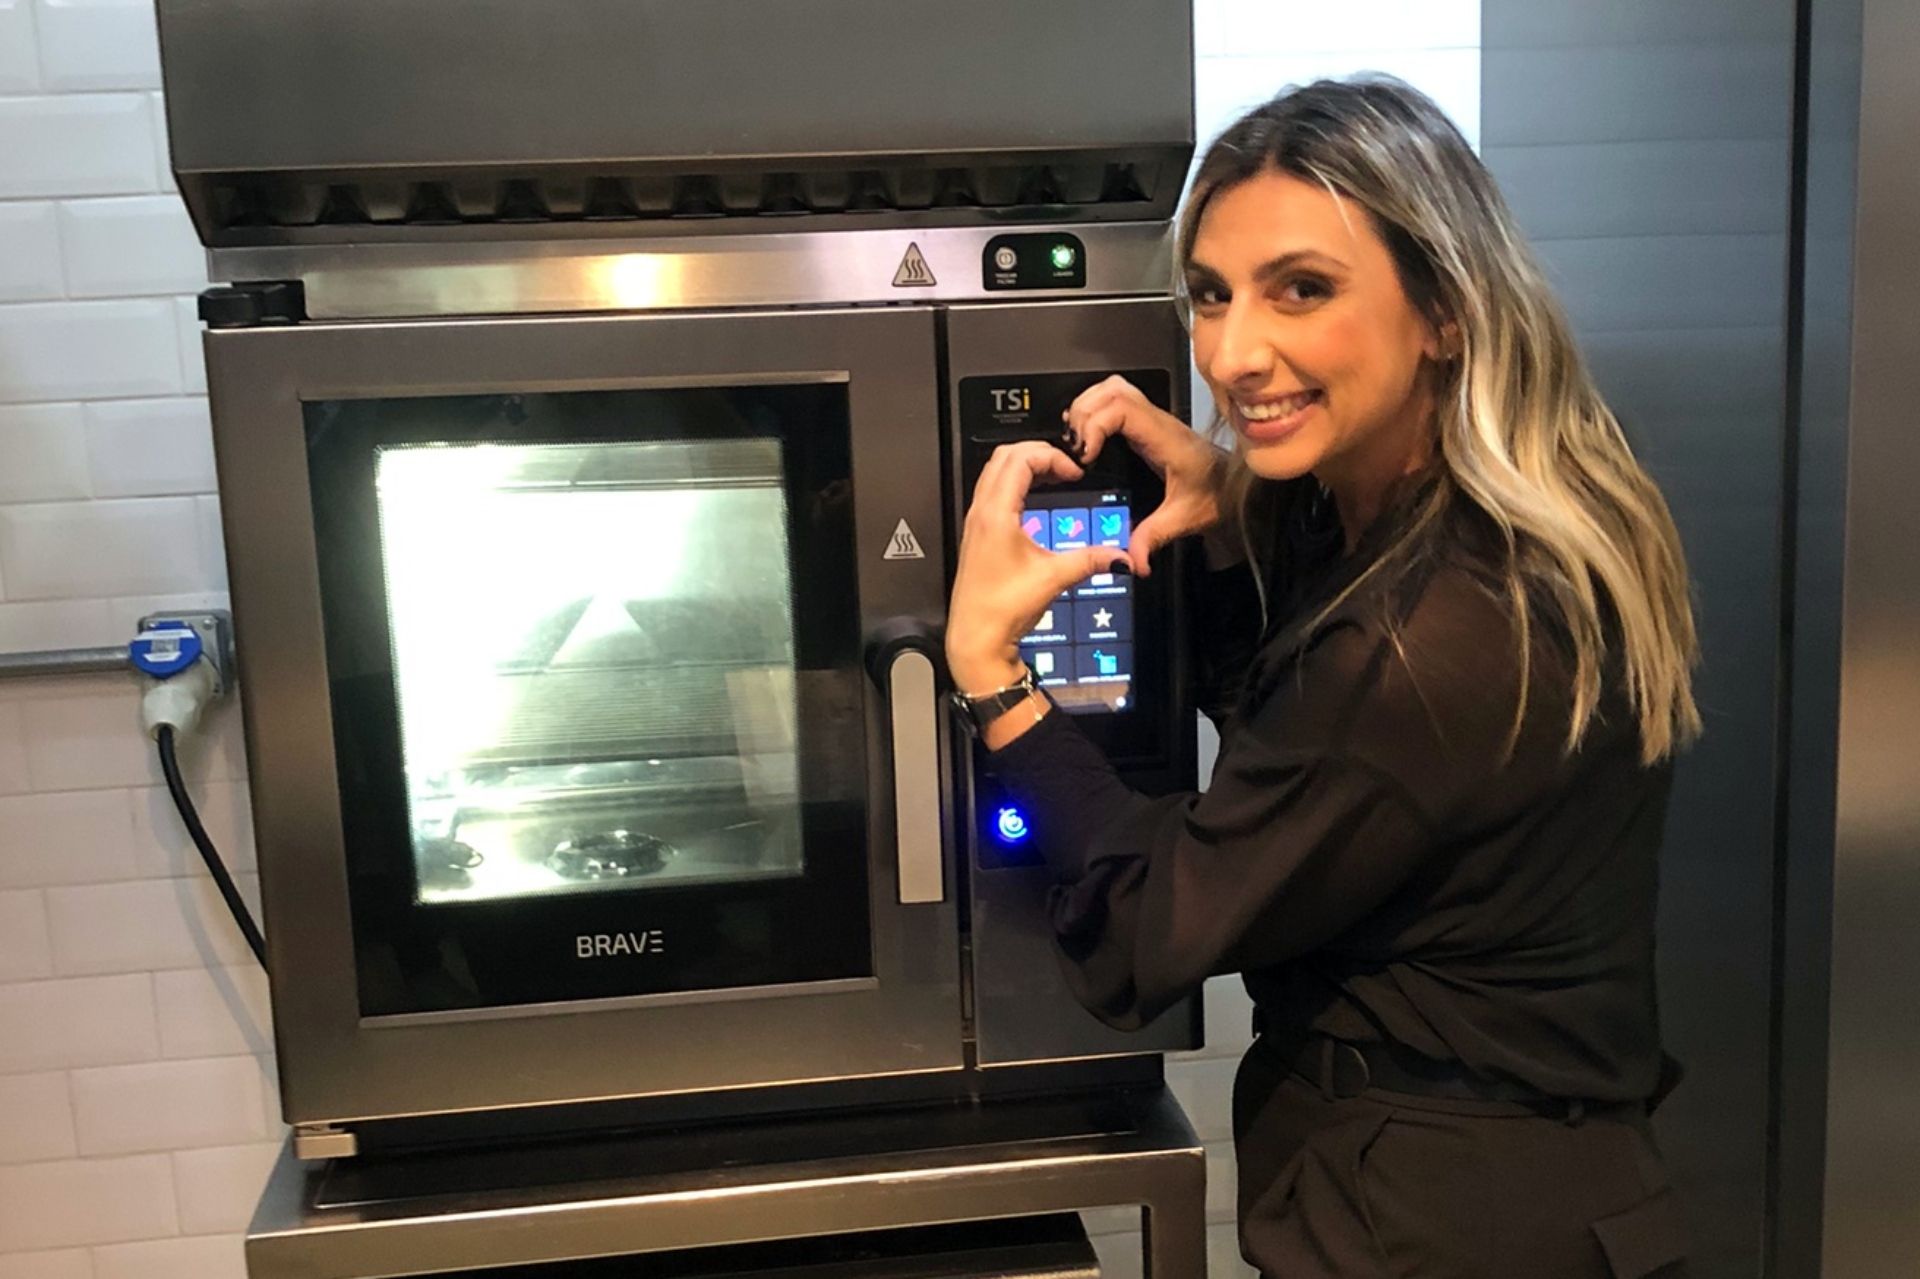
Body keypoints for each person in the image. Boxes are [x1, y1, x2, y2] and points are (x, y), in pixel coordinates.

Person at [944, 77, 1698, 1279]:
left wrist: (994, 680)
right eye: (1210, 294)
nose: (1237, 355)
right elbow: (1305, 752)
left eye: (1304, 288)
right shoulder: (1496, 521)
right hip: (1528, 1198)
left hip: (1445, 1232)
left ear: (1444, 308)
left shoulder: (1432, 641)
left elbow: (1152, 933)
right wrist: (1234, 509)